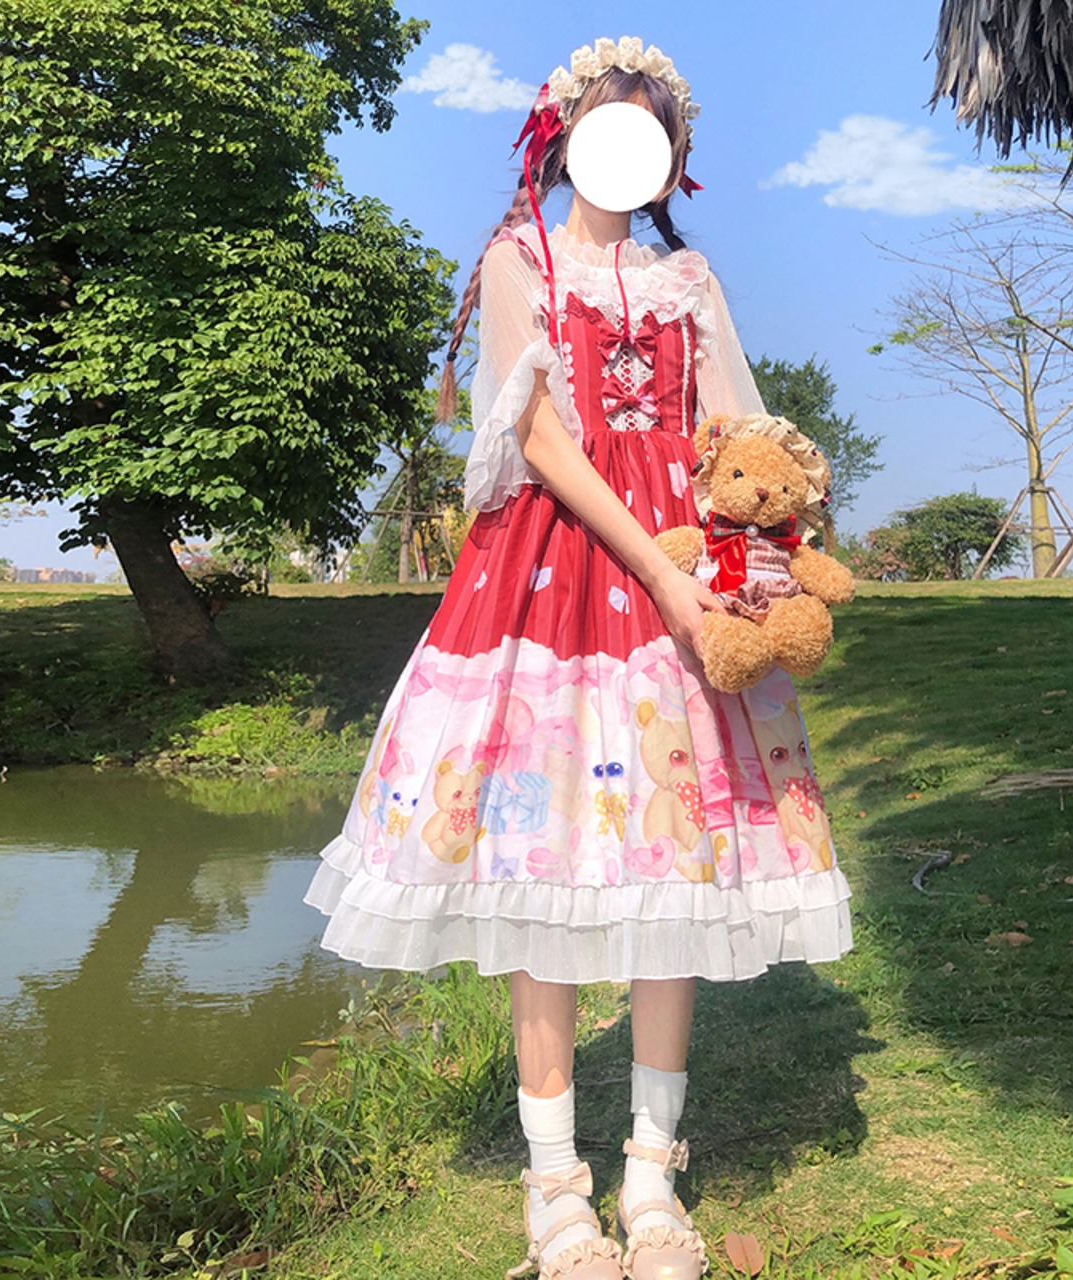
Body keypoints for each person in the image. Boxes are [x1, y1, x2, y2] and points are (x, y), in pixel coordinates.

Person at [304, 35, 853, 1280]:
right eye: (611, 122)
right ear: (562, 139)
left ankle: (651, 1175)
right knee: (535, 870)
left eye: (650, 128)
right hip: (555, 577)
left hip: (687, 571)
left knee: (675, 863)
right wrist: (659, 571)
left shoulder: (689, 277)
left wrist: (760, 553)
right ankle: (554, 1188)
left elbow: (735, 431)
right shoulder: (521, 259)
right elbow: (542, 438)